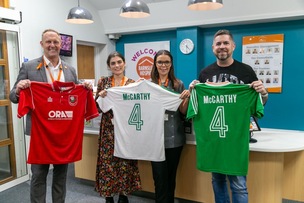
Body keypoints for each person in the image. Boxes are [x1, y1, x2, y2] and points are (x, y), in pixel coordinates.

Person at [9, 29, 93, 203]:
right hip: (40, 134)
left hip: (64, 135)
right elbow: (12, 96)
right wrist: (18, 89)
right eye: (48, 42)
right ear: (42, 44)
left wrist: (85, 87)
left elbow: (75, 95)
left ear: (61, 45)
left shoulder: (70, 70)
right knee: (39, 176)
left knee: (61, 176)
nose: (52, 45)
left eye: (55, 42)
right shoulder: (29, 67)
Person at [189, 29, 268, 203]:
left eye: (225, 43)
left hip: (237, 138)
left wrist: (263, 93)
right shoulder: (205, 74)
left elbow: (258, 106)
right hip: (214, 139)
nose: (222, 47)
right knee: (217, 180)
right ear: (213, 48)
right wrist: (194, 91)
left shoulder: (246, 71)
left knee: (238, 184)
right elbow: (196, 107)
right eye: (218, 44)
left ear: (233, 46)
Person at [95, 51, 141, 203]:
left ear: (125, 63)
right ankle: (108, 196)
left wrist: (142, 87)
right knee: (107, 162)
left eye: (119, 62)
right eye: (113, 63)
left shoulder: (133, 83)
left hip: (126, 129)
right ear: (109, 66)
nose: (117, 65)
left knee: (124, 162)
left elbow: (138, 105)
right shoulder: (103, 82)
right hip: (108, 129)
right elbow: (96, 108)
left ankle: (123, 194)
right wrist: (99, 97)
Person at [150, 50, 190, 203]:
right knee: (159, 177)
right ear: (155, 64)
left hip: (174, 139)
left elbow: (183, 112)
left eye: (166, 62)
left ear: (171, 64)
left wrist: (186, 99)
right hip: (154, 139)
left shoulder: (178, 84)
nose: (163, 65)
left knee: (170, 178)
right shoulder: (149, 85)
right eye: (160, 62)